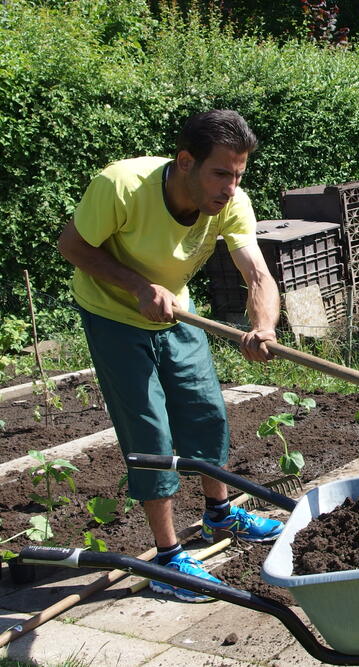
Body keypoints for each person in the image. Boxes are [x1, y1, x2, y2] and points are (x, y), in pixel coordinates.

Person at [58, 109, 284, 601]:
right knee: (150, 430)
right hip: (113, 313)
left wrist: (262, 327)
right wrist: (137, 286)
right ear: (185, 162)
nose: (230, 187)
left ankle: (219, 515)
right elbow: (72, 245)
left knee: (204, 409)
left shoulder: (231, 203)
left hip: (177, 310)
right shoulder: (121, 186)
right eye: (220, 173)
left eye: (238, 175)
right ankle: (167, 559)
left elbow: (259, 276)